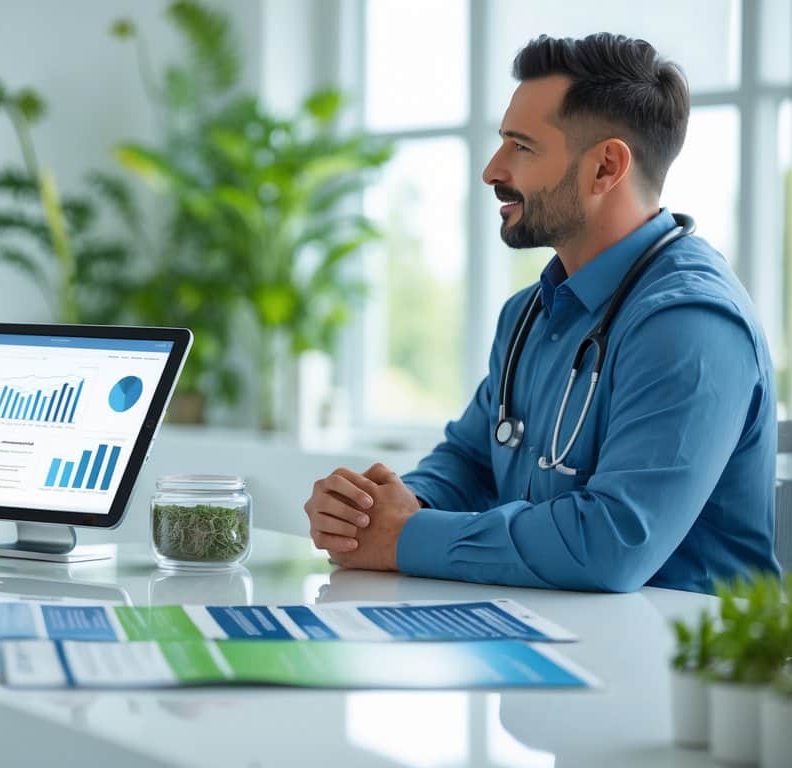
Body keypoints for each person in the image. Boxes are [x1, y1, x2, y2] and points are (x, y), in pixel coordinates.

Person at [303, 33, 779, 595]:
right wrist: (371, 511)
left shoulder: (690, 325)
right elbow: (472, 461)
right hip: (548, 632)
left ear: (605, 167)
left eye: (521, 147)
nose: (491, 170)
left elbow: (611, 543)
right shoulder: (530, 313)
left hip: (682, 664)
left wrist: (404, 537)